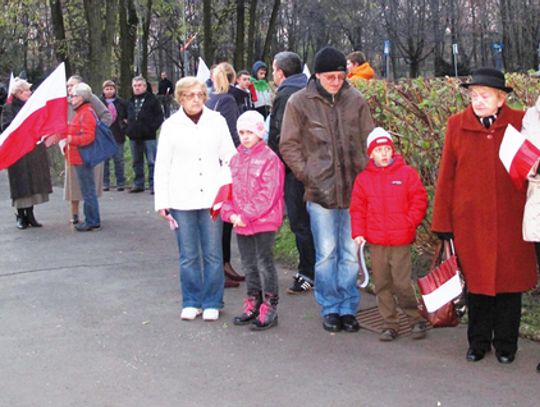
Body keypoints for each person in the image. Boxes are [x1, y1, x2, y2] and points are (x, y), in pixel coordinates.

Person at [432, 67, 537, 364]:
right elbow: (446, 177)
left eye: (485, 96)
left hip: (511, 218)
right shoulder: (457, 125)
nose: (477, 101)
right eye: (473, 95)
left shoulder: (520, 122)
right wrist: (443, 223)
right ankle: (478, 342)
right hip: (471, 221)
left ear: (501, 99)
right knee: (477, 284)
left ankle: (506, 344)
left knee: (509, 285)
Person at [280, 46, 374, 333]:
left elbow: (369, 139)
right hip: (319, 191)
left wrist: (367, 175)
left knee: (349, 252)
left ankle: (348, 306)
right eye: (330, 77)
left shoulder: (355, 99)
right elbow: (288, 145)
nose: (336, 82)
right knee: (326, 253)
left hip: (354, 190)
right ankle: (330, 306)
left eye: (340, 76)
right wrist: (309, 175)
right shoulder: (299, 102)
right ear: (317, 75)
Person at [154, 77, 236, 322]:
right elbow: (162, 166)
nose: (196, 100)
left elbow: (229, 156)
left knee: (213, 253)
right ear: (180, 98)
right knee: (188, 254)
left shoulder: (217, 121)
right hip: (181, 199)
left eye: (200, 94)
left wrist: (227, 187)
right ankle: (191, 300)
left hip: (212, 199)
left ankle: (212, 301)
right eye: (190, 95)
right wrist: (162, 201)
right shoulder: (170, 126)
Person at [350, 128, 428, 341]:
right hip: (376, 241)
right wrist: (358, 232)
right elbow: (357, 208)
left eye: (387, 149)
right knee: (382, 283)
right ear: (371, 154)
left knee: (402, 283)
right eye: (379, 150)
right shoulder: (364, 180)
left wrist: (410, 221)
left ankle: (415, 318)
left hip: (401, 240)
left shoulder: (406, 174)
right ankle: (389, 323)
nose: (384, 154)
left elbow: (419, 199)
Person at [221, 110, 285, 330]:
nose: (245, 136)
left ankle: (270, 306)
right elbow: (227, 190)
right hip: (241, 222)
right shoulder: (236, 160)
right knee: (248, 263)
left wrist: (245, 215)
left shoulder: (270, 159)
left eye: (250, 132)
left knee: (264, 263)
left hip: (262, 221)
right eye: (241, 132)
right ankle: (253, 301)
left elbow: (269, 193)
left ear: (260, 133)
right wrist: (230, 213)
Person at [268, 51, 315, 294]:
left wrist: (273, 162)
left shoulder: (286, 94)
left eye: (273, 69)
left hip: (294, 168)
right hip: (314, 164)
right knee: (312, 220)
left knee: (300, 222)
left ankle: (308, 272)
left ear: (281, 72)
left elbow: (278, 134)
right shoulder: (309, 89)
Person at [206, 62, 245, 287]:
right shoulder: (228, 100)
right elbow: (232, 133)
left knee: (221, 216)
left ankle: (225, 265)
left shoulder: (212, 98)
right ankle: (221, 267)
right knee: (224, 217)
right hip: (225, 165)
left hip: (212, 163)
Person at [1, 78, 52, 229]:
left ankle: (30, 214)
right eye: (27, 91)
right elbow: (6, 127)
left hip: (32, 150)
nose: (30, 93)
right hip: (17, 151)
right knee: (20, 183)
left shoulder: (33, 106)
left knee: (32, 182)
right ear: (19, 93)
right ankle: (21, 215)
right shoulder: (9, 108)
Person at [64, 75, 112, 225]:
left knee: (88, 188)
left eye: (72, 87)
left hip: (86, 152)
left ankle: (92, 220)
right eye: (68, 87)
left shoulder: (87, 109)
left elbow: (103, 120)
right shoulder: (75, 108)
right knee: (79, 187)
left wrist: (96, 135)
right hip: (73, 153)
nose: (69, 90)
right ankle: (78, 215)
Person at [62, 83, 101, 231]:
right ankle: (92, 219)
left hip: (82, 157)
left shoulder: (86, 113)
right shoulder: (82, 112)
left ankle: (92, 220)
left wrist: (72, 139)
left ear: (81, 97)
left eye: (73, 96)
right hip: (78, 157)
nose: (71, 98)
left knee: (88, 190)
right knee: (87, 189)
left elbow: (88, 137)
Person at [126, 76, 164, 194]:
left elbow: (159, 117)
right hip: (133, 136)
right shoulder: (129, 101)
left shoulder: (153, 100)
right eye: (135, 86)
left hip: (149, 136)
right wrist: (127, 129)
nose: (137, 88)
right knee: (136, 161)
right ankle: (138, 183)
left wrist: (151, 128)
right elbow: (123, 117)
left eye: (139, 85)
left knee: (152, 162)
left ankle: (154, 185)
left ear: (144, 86)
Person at [100, 80, 128, 191]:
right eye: (107, 89)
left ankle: (121, 182)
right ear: (103, 90)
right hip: (104, 134)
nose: (109, 91)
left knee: (119, 159)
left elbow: (126, 115)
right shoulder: (99, 102)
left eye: (111, 89)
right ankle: (105, 182)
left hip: (118, 134)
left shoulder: (121, 103)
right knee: (105, 161)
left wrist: (124, 125)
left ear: (115, 90)